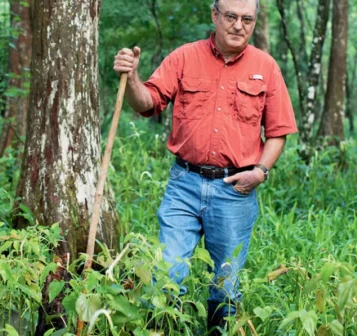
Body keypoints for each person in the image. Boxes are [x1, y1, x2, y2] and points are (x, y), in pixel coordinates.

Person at [113, 0, 298, 333]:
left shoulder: (266, 67)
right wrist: (133, 76)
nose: (238, 25)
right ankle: (162, 330)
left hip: (234, 191)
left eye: (247, 19)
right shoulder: (185, 57)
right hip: (184, 182)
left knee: (226, 284)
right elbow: (148, 103)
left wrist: (260, 172)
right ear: (215, 16)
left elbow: (279, 132)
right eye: (230, 16)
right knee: (167, 271)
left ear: (254, 22)